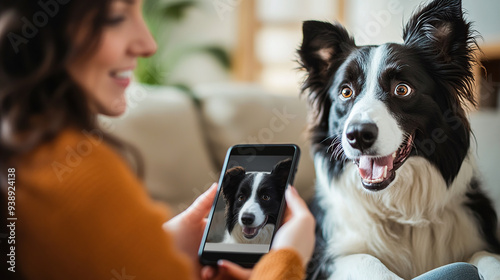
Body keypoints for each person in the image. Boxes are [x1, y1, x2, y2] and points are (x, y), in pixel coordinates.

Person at [0, 0, 315, 279]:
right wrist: (287, 259)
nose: (148, 44)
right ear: (42, 26)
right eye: (115, 16)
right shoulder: (74, 173)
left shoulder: (23, 157)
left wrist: (157, 249)